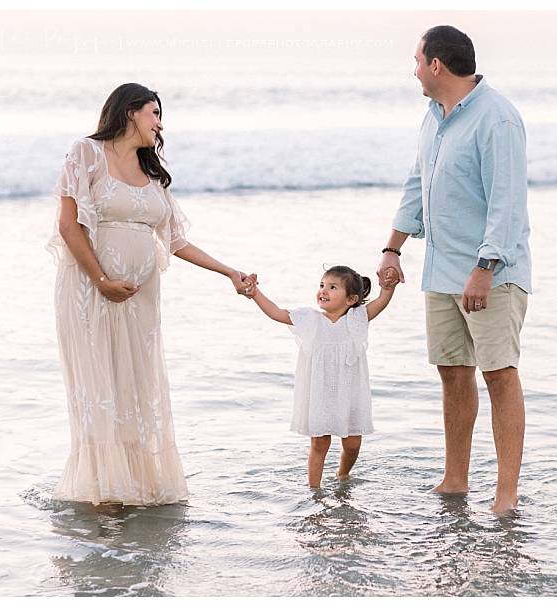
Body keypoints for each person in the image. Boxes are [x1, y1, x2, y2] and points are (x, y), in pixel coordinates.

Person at [46, 83, 257, 506]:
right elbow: (69, 226)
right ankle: (104, 493)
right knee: (99, 385)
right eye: (154, 113)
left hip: (140, 300)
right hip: (88, 291)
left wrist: (229, 272)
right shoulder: (85, 153)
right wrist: (102, 279)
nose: (159, 123)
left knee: (135, 385)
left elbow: (176, 242)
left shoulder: (152, 173)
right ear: (130, 112)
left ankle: (132, 486)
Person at [377, 26, 532, 514]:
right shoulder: (433, 117)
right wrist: (393, 249)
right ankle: (455, 478)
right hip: (440, 270)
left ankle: (505, 494)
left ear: (437, 65)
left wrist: (485, 267)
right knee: (451, 371)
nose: (414, 69)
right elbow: (416, 182)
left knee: (499, 374)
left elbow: (507, 202)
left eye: (417, 60)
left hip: (491, 272)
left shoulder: (497, 119)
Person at [244, 265, 396, 488]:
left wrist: (388, 287)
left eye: (332, 287)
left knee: (353, 443)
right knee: (319, 442)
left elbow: (382, 301)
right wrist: (256, 293)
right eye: (322, 285)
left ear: (351, 299)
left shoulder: (357, 319)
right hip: (320, 393)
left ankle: (342, 474)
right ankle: (314, 489)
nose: (323, 291)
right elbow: (277, 313)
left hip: (351, 392)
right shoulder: (309, 319)